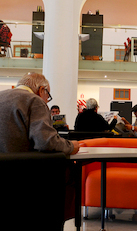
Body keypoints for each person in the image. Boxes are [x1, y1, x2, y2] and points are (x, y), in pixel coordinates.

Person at [0, 72, 80, 222]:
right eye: (47, 96)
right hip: (27, 178)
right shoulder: (34, 100)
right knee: (71, 172)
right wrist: (70, 146)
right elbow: (46, 142)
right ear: (42, 90)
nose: (47, 102)